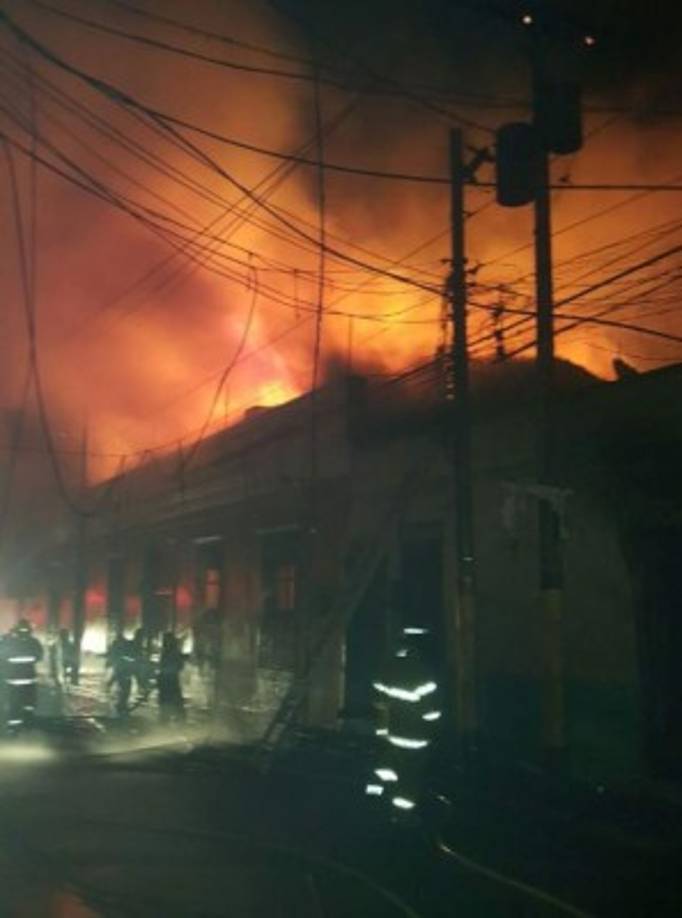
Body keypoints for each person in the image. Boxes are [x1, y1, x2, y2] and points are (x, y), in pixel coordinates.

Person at [366, 626, 442, 822]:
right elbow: (430, 713)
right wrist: (438, 731)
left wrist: (381, 730)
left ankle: (370, 804)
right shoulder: (424, 674)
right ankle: (401, 819)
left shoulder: (390, 668)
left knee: (385, 768)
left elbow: (379, 700)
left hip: (393, 733)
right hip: (416, 739)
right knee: (408, 782)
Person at [0, 619, 44, 732]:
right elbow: (39, 656)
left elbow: (2, 657)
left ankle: (13, 727)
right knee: (29, 704)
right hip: (29, 679)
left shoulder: (9, 641)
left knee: (14, 703)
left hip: (13, 680)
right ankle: (28, 723)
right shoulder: (34, 642)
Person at [157, 632, 186, 724]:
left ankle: (168, 719)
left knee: (169, 700)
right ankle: (172, 719)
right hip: (169, 679)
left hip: (168, 679)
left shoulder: (169, 652)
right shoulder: (171, 652)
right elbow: (180, 666)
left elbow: (178, 665)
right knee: (171, 700)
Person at [105, 631, 136, 717]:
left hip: (122, 670)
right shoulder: (124, 647)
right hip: (123, 671)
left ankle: (121, 706)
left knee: (124, 689)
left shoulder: (120, 647)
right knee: (124, 689)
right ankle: (122, 706)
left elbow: (114, 657)